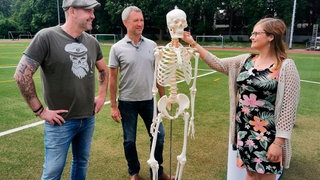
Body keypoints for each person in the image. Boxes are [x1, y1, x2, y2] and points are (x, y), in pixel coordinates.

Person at [182, 18, 300, 180]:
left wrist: (278, 143)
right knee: (250, 173)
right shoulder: (246, 60)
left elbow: (289, 108)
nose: (251, 37)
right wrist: (193, 43)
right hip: (244, 130)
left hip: (267, 134)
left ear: (271, 37)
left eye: (256, 33)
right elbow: (217, 63)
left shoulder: (286, 66)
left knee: (265, 176)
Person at [14, 0, 108, 179]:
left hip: (88, 118)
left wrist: (102, 95)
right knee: (52, 173)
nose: (93, 15)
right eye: (88, 10)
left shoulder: (91, 42)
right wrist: (41, 112)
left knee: (81, 163)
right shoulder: (46, 37)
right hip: (60, 123)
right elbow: (21, 75)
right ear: (72, 11)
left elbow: (103, 70)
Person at [108, 6, 174, 180]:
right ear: (125, 22)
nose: (140, 24)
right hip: (127, 102)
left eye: (142, 20)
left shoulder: (152, 45)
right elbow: (112, 79)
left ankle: (158, 171)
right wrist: (114, 106)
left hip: (150, 101)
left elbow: (158, 75)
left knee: (158, 136)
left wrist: (164, 98)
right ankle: (134, 172)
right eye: (136, 20)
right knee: (129, 140)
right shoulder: (117, 48)